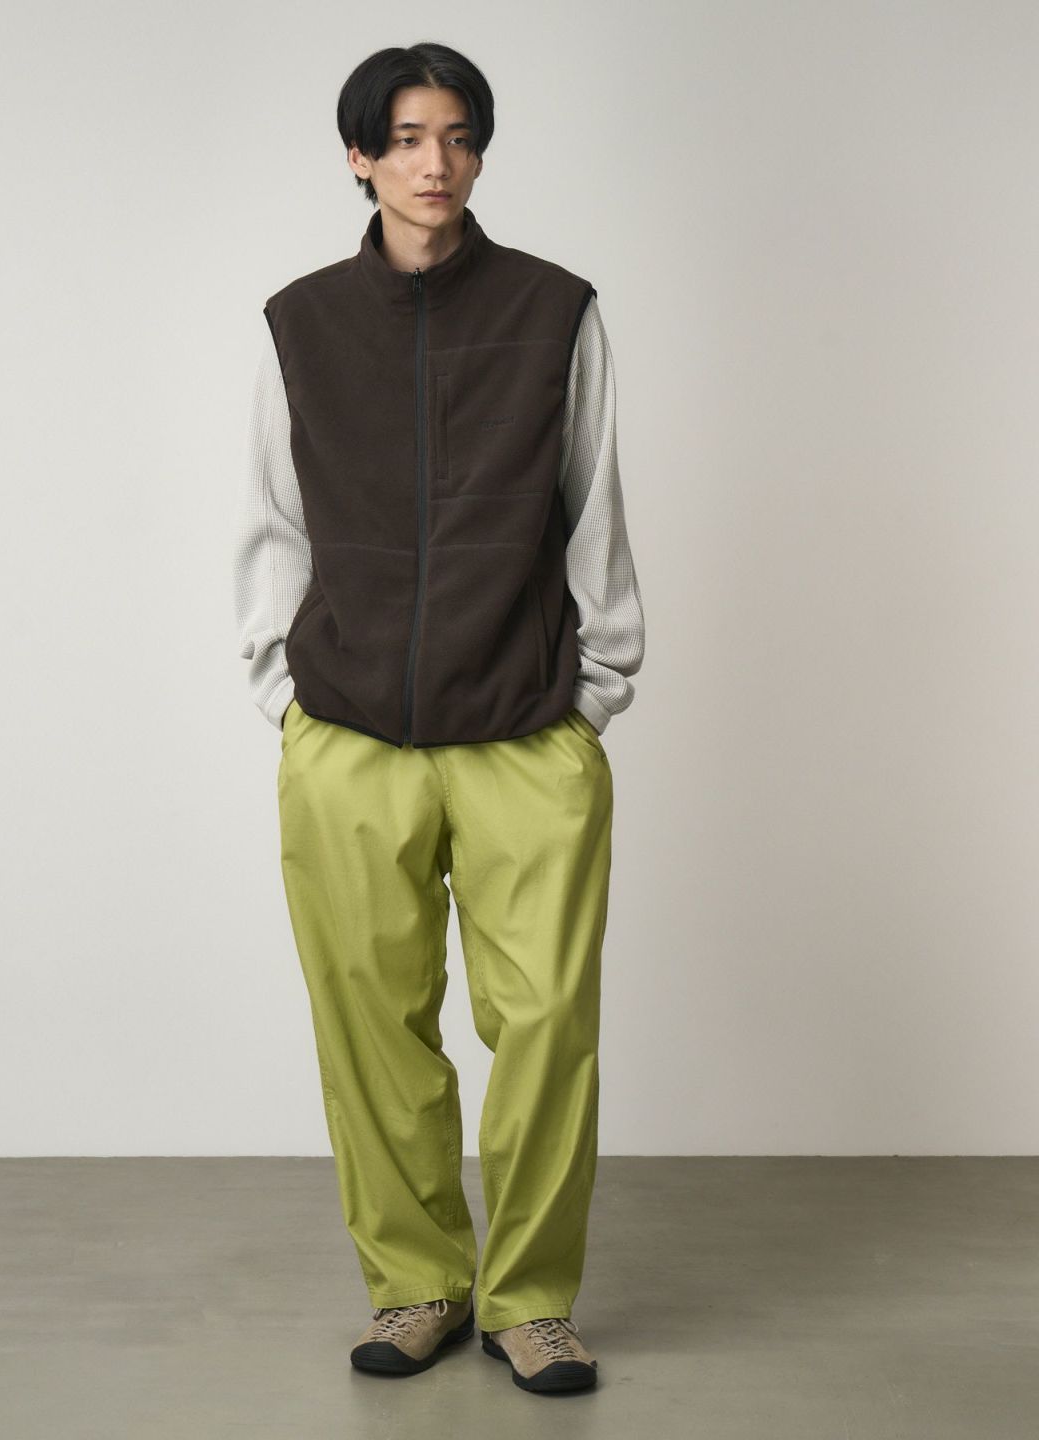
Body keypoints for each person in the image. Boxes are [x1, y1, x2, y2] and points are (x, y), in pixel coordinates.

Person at [233, 41, 645, 1397]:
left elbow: (595, 506)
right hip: (350, 740)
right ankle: (418, 1285)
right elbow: (275, 518)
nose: (436, 163)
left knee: (547, 1027)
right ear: (359, 156)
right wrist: (288, 693)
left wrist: (591, 694)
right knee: (371, 1026)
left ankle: (531, 1303)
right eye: (406, 138)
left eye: (458, 136)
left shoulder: (553, 310)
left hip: (525, 733)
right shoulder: (301, 322)